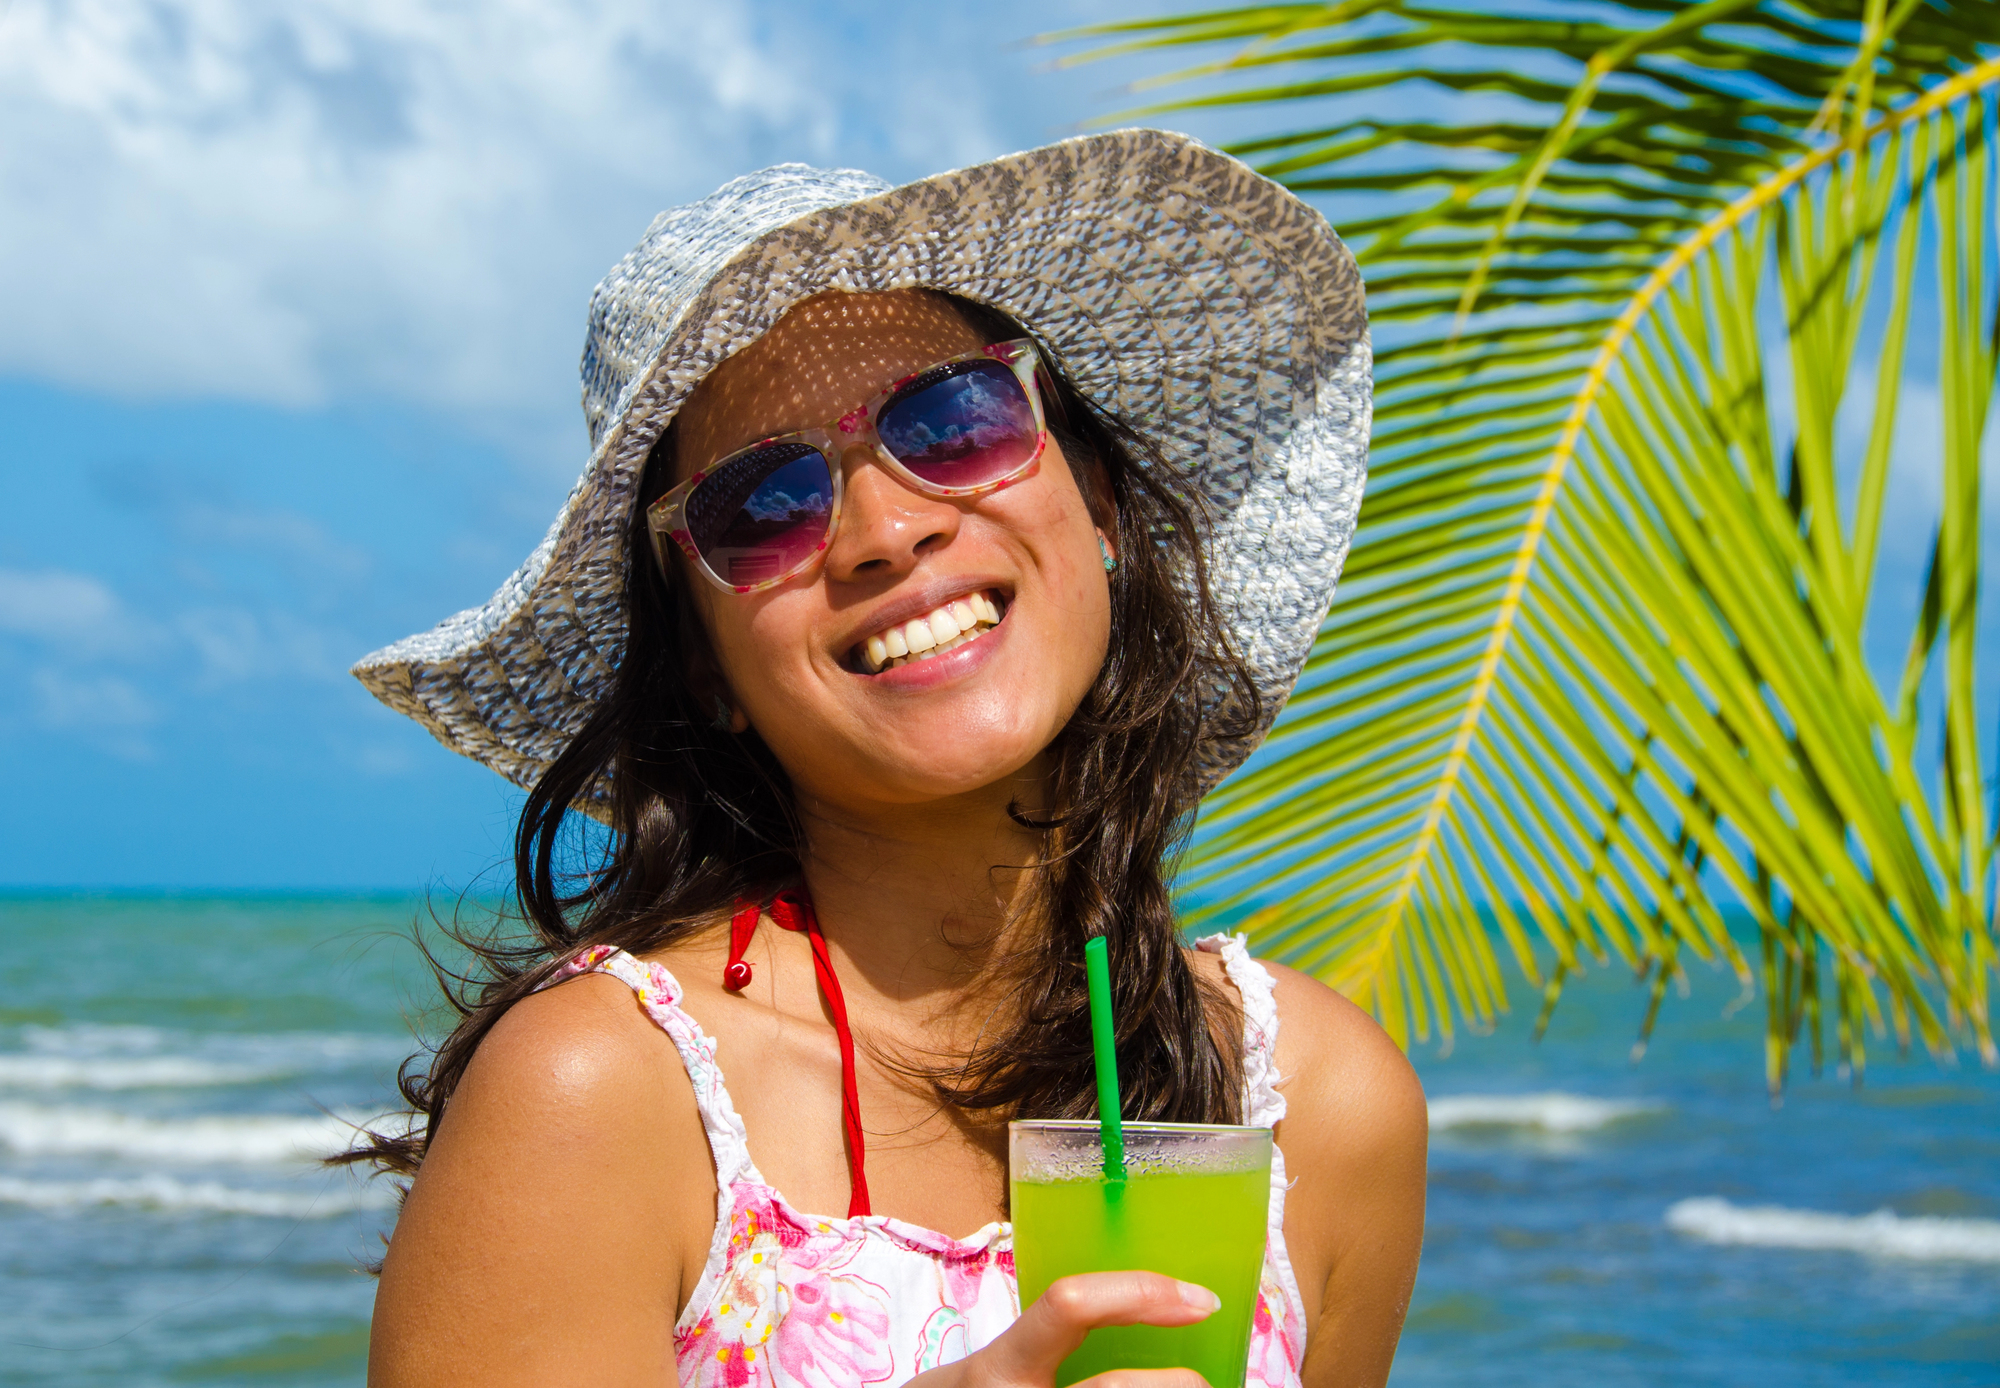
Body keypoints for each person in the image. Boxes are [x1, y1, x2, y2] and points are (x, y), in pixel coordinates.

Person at [348, 130, 1425, 1388]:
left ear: (1102, 506)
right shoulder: (603, 1094)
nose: (883, 528)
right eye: (761, 504)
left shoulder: (1315, 1101)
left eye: (953, 420)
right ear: (705, 667)